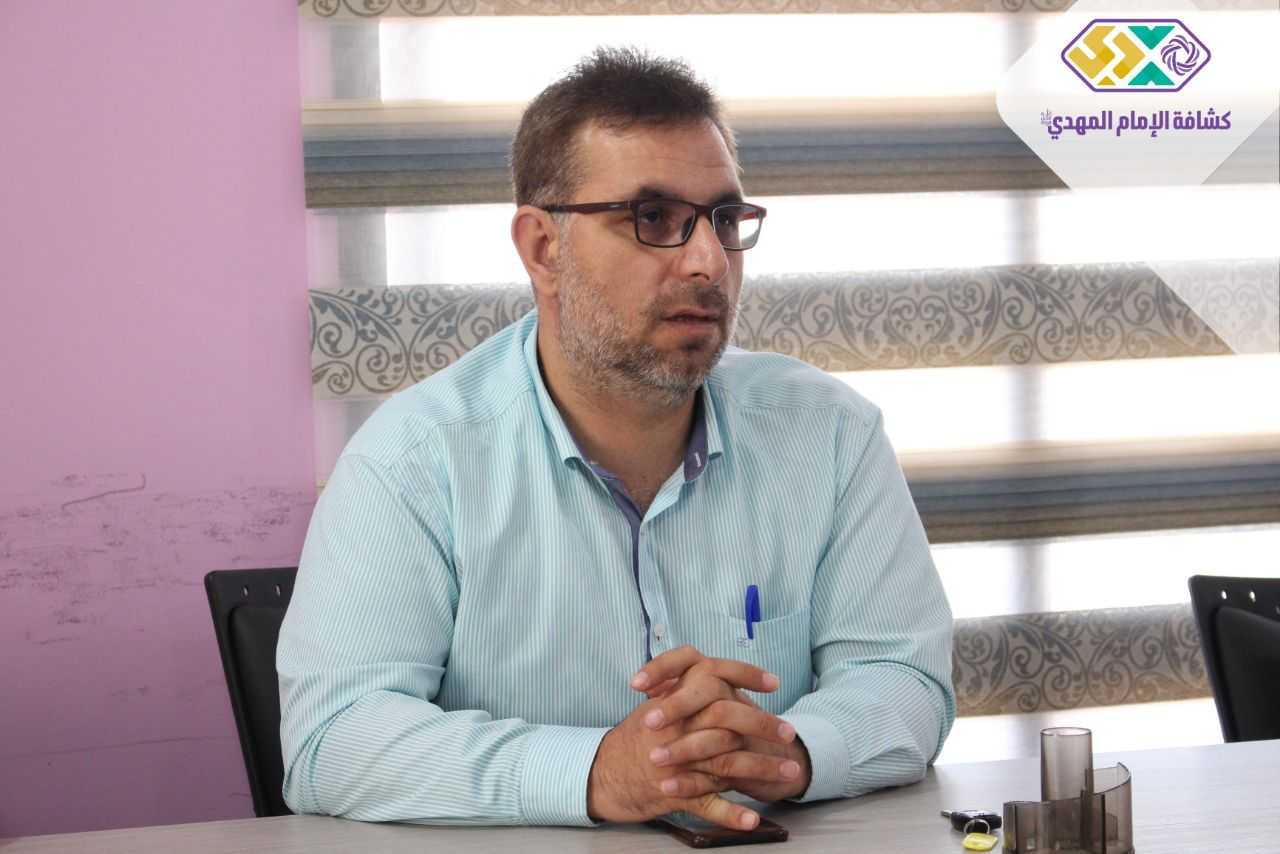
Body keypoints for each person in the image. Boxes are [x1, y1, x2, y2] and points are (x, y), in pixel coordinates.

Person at [277, 46, 955, 832]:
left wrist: (784, 749)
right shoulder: (414, 461)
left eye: (724, 221)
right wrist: (602, 771)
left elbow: (904, 676)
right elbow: (334, 740)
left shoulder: (829, 434)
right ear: (543, 248)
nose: (707, 262)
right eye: (653, 218)